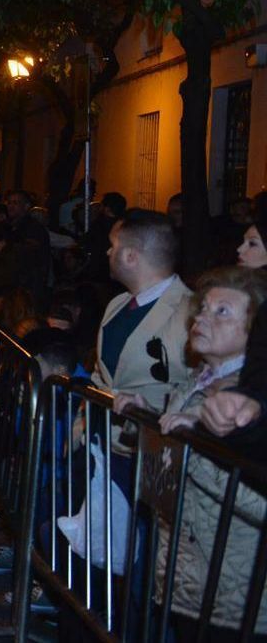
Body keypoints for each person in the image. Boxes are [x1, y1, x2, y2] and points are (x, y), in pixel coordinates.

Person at [113, 267, 267, 639]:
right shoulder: (194, 383)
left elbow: (255, 500)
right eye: (203, 309)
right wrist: (143, 420)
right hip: (187, 578)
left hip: (235, 592)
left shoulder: (249, 408)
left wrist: (195, 444)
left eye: (223, 312)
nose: (202, 318)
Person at [94, 209, 192, 410]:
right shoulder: (116, 305)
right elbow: (101, 376)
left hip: (148, 437)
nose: (108, 252)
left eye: (113, 245)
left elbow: (200, 389)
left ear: (131, 256)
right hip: (98, 435)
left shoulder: (192, 312)